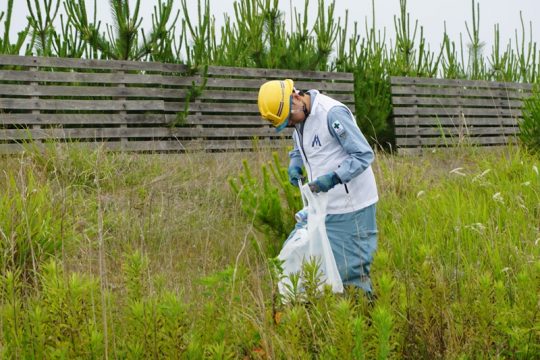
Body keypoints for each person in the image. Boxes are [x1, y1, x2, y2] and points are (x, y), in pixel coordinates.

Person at [257, 79, 379, 295]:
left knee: (352, 272)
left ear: (295, 96)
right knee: (298, 257)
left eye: (290, 119)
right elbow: (299, 144)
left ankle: (367, 317)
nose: (292, 125)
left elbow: (363, 154)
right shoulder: (300, 116)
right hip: (321, 204)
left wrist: (333, 178)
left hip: (351, 206)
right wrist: (295, 162)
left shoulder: (332, 113)